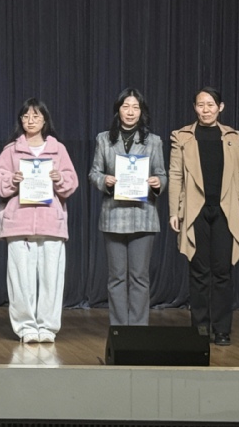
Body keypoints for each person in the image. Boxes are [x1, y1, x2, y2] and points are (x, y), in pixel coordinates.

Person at [168, 87, 239, 346]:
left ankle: (222, 329)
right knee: (199, 271)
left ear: (220, 107)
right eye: (200, 105)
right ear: (195, 107)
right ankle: (200, 329)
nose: (205, 110)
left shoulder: (233, 137)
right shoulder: (182, 136)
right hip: (196, 211)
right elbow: (175, 176)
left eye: (210, 105)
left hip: (226, 210)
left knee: (223, 271)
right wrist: (175, 211)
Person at [0, 98, 78, 343]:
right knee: (21, 279)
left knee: (52, 278)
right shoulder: (11, 150)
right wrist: (12, 180)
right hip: (19, 223)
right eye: (26, 116)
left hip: (51, 224)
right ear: (20, 120)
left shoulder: (58, 149)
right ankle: (26, 327)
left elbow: (71, 183)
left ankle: (48, 327)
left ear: (44, 120)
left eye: (36, 116)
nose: (30, 121)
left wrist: (59, 178)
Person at [88, 88, 166, 326]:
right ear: (118, 110)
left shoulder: (154, 141)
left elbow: (162, 174)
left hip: (144, 216)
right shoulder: (104, 139)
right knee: (117, 277)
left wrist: (158, 182)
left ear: (141, 111)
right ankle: (120, 329)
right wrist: (105, 180)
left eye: (135, 107)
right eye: (125, 106)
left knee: (140, 277)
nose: (130, 112)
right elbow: (94, 173)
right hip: (114, 215)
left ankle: (139, 330)